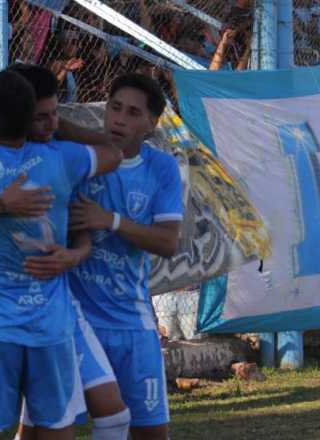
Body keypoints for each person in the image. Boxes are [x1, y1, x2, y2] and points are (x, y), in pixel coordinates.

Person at [0, 63, 131, 440]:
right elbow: (114, 152)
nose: (51, 123)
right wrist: (58, 128)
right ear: (27, 119)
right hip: (49, 328)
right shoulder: (61, 160)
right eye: (43, 116)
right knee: (56, 426)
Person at [66, 73, 183, 440]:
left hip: (132, 322)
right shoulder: (81, 159)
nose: (119, 119)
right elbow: (46, 125)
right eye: (114, 108)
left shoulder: (161, 168)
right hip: (74, 319)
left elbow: (167, 242)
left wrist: (110, 221)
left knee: (151, 432)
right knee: (47, 428)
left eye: (133, 113)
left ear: (152, 123)